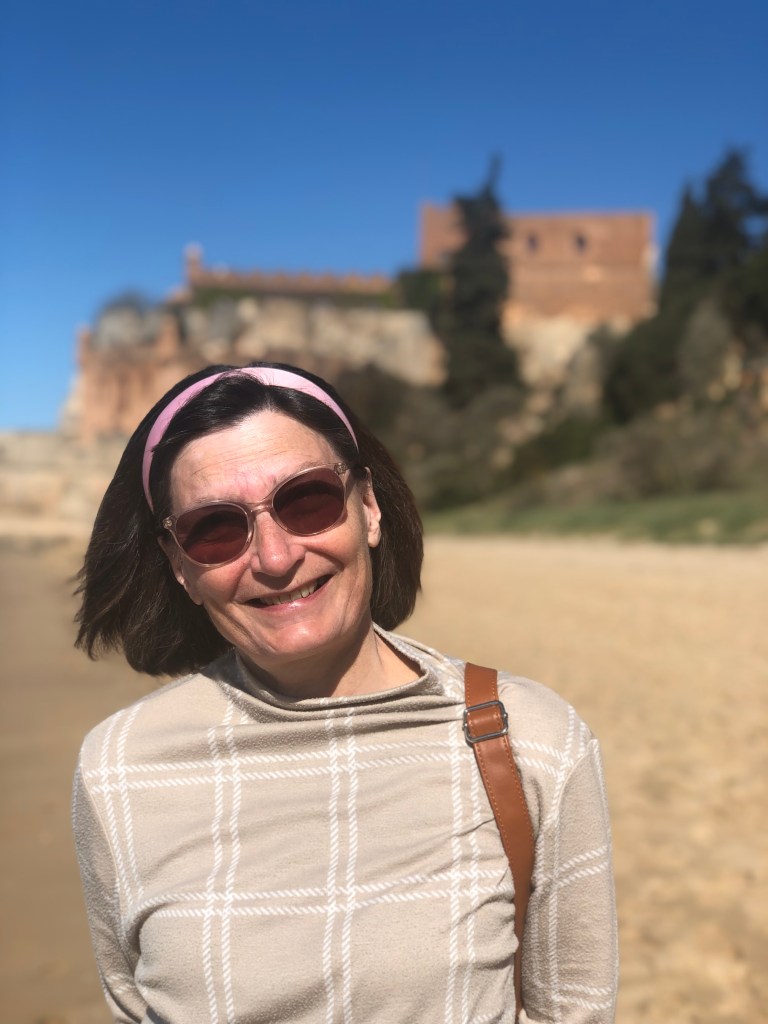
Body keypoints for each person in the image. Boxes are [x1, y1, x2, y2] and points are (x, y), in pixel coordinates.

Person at [73, 361, 618, 1024]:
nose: (276, 558)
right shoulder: (119, 768)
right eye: (215, 529)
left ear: (369, 508)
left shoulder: (533, 741)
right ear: (179, 565)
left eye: (307, 501)